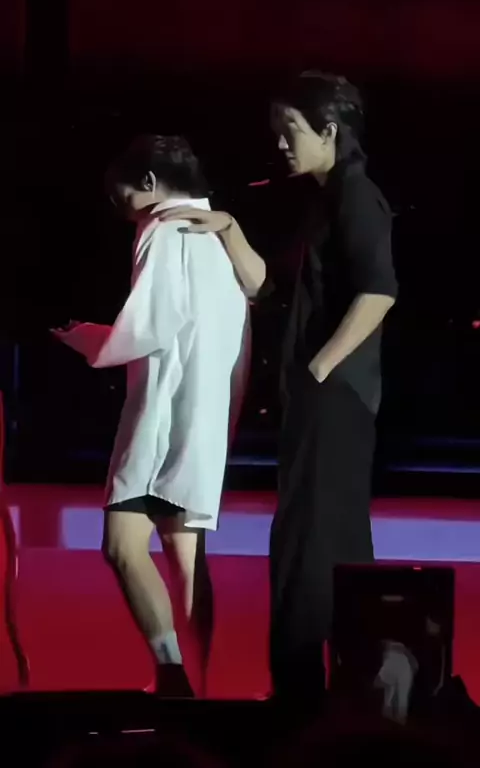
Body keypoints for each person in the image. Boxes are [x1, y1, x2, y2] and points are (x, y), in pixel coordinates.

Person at [166, 73, 397, 704]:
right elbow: (271, 290)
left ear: (329, 130)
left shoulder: (356, 196)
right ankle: (340, 692)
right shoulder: (324, 200)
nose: (281, 143)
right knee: (326, 545)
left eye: (291, 129)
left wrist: (320, 368)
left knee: (308, 548)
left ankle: (300, 696)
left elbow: (379, 292)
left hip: (333, 397)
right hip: (323, 398)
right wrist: (228, 229)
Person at [51, 134, 266, 697]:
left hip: (161, 415)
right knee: (187, 559)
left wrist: (83, 338)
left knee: (123, 546)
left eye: (121, 196)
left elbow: (147, 326)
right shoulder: (216, 230)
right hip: (206, 416)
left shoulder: (162, 226)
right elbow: (253, 292)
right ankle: (200, 684)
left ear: (148, 183)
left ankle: (172, 676)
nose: (122, 209)